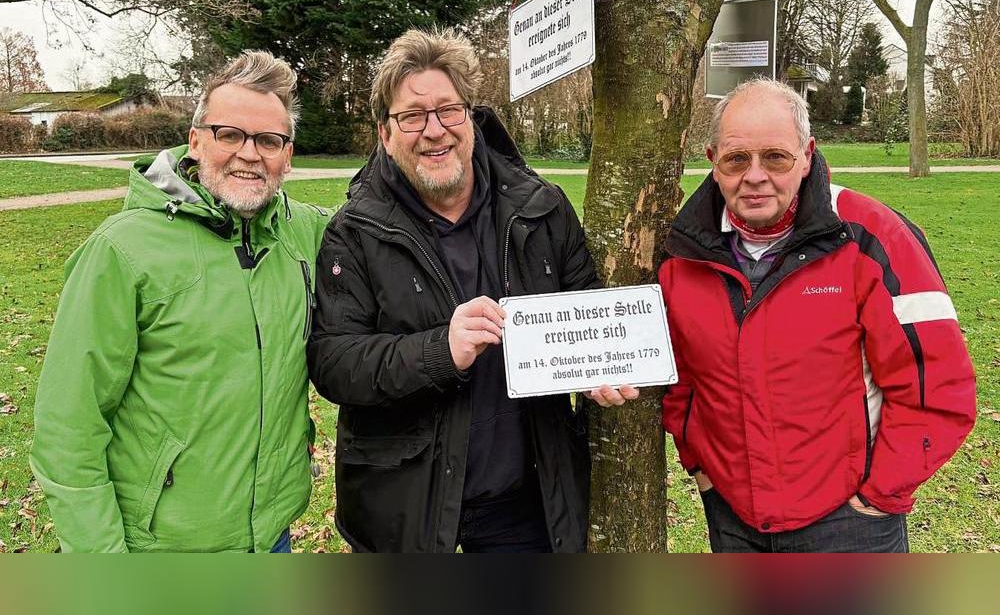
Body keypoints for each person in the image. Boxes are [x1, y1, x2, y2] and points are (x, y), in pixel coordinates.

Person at [307, 27, 636, 553]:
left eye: (448, 110)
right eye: (411, 116)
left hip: (524, 507)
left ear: (471, 118)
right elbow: (333, 361)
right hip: (405, 510)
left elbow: (585, 306)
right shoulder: (356, 230)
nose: (433, 130)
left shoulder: (541, 208)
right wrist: (440, 350)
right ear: (385, 135)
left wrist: (601, 364)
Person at [658, 78, 976, 553]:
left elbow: (937, 382)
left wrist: (879, 494)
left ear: (807, 156)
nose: (755, 175)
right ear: (713, 161)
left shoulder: (870, 237)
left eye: (776, 157)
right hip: (733, 518)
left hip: (848, 523)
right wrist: (701, 468)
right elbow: (680, 384)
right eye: (736, 159)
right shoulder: (682, 256)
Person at [30, 51, 330, 552]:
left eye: (268, 140)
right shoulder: (121, 251)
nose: (249, 154)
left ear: (288, 154)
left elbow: (384, 222)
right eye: (229, 134)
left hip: (271, 537)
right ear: (196, 141)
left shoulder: (305, 234)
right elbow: (69, 428)